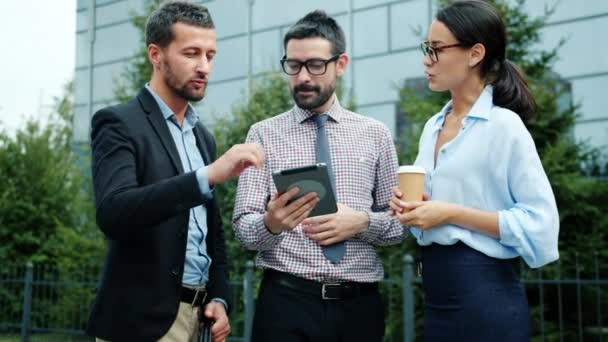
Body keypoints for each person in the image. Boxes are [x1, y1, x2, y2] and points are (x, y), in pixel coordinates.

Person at [86, 2, 264, 341]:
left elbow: (213, 235)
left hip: (200, 322)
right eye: (191, 53)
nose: (204, 67)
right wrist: (207, 176)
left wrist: (220, 297)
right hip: (141, 324)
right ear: (156, 54)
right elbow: (113, 212)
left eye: (210, 55)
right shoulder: (118, 123)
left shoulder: (202, 137)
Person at [389, 1, 560, 341]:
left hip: (487, 300)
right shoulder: (431, 127)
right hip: (436, 300)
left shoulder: (504, 126)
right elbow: (428, 222)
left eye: (436, 49)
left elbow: (541, 226)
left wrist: (450, 213)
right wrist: (410, 210)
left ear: (474, 53)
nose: (426, 59)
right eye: (426, 48)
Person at [232, 10, 405, 342]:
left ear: (340, 64)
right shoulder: (262, 134)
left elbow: (399, 226)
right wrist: (271, 224)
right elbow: (243, 228)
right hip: (285, 303)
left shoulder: (376, 134)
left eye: (315, 65)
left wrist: (362, 222)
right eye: (293, 66)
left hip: (359, 308)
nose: (302, 77)